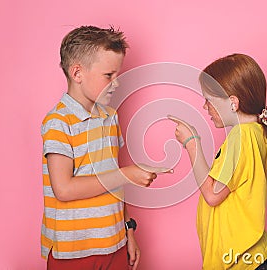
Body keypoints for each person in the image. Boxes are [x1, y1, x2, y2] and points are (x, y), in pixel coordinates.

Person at [41, 25, 171, 270]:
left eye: (117, 75)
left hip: (115, 243)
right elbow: (64, 189)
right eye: (108, 75)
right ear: (77, 73)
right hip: (73, 252)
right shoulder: (58, 122)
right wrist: (125, 174)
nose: (116, 82)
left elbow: (115, 181)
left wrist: (128, 231)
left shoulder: (110, 117)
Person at [169, 53, 267, 269]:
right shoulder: (255, 133)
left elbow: (212, 195)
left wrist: (191, 143)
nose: (205, 107)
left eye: (209, 101)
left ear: (233, 103)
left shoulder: (241, 138)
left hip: (239, 261)